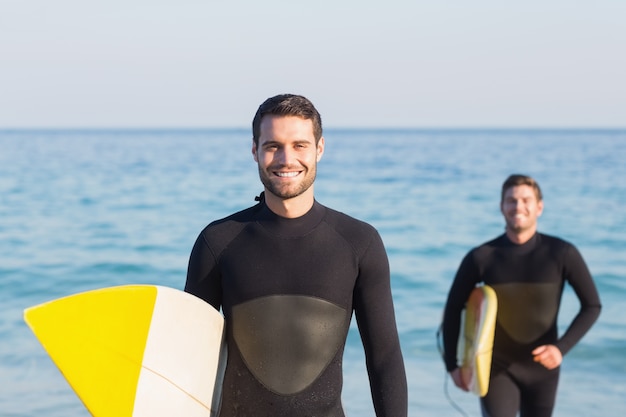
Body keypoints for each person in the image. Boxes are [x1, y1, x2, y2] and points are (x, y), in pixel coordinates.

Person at [185, 94, 407, 417]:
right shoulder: (218, 243)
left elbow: (384, 357)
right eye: (272, 145)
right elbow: (191, 356)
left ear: (319, 148)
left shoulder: (359, 243)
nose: (286, 159)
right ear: (254, 151)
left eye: (299, 145)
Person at [442, 174, 601, 417]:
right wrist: (453, 365)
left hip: (543, 370)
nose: (518, 206)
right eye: (511, 200)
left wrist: (561, 349)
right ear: (501, 207)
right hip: (496, 368)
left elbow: (592, 305)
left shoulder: (562, 253)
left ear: (539, 206)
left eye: (526, 200)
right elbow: (453, 308)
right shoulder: (482, 257)